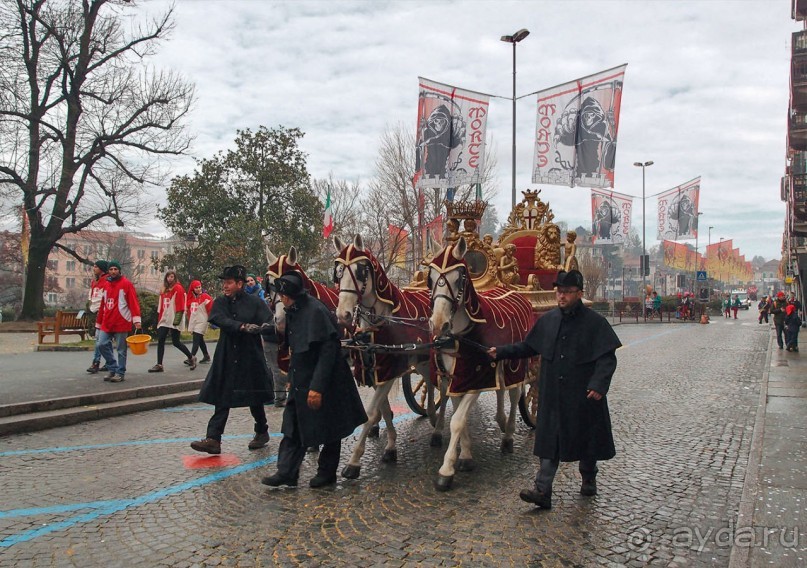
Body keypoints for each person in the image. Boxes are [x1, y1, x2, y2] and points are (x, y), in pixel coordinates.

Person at [488, 269, 621, 509]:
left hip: (583, 395)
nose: (561, 296)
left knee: (586, 440)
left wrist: (599, 384)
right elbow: (528, 346)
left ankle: (588, 477)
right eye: (559, 292)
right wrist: (501, 352)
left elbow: (607, 358)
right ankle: (542, 490)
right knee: (549, 444)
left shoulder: (595, 323)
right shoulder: (548, 320)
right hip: (553, 395)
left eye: (567, 292)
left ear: (579, 293)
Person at [261, 271, 367, 489]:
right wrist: (292, 377)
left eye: (283, 296)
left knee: (330, 429)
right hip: (301, 380)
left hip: (326, 381)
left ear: (292, 296)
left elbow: (329, 352)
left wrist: (317, 388)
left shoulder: (316, 311)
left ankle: (326, 473)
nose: (281, 299)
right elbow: (295, 349)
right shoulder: (292, 310)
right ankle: (287, 472)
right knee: (292, 426)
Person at [190, 265, 275, 454]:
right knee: (223, 396)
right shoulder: (221, 302)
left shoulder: (255, 302)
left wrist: (265, 327)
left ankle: (262, 431)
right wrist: (242, 326)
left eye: (229, 283)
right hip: (227, 354)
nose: (225, 286)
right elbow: (219, 319)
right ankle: (213, 438)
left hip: (250, 355)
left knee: (255, 396)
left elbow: (269, 320)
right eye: (224, 283)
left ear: (239, 283)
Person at [96, 260, 142, 383]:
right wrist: (99, 321)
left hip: (121, 321)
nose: (113, 271)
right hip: (107, 321)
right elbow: (103, 304)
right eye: (111, 269)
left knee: (121, 349)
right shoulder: (106, 285)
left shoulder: (126, 284)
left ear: (119, 270)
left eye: (115, 269)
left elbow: (133, 302)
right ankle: (112, 367)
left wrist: (136, 319)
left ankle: (120, 372)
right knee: (101, 344)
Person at [149, 271, 195, 372]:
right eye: (168, 277)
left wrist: (177, 319)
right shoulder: (164, 289)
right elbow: (161, 305)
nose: (170, 279)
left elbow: (180, 304)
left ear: (174, 278)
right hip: (165, 318)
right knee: (161, 339)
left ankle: (191, 357)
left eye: (172, 277)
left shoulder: (178, 288)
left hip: (173, 317)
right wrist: (160, 317)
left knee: (176, 342)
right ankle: (159, 364)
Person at [86, 259, 109, 374]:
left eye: (96, 267)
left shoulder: (107, 281)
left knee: (100, 340)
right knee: (104, 341)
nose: (94, 268)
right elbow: (91, 297)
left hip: (104, 312)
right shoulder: (94, 281)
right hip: (96, 312)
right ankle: (109, 362)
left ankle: (96, 362)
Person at [186, 280, 213, 364]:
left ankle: (191, 357)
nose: (198, 289)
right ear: (193, 289)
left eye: (199, 287)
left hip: (202, 320)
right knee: (200, 339)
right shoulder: (191, 299)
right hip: (194, 321)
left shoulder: (206, 297)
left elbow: (210, 309)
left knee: (196, 339)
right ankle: (206, 355)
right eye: (196, 287)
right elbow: (190, 311)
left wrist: (212, 319)